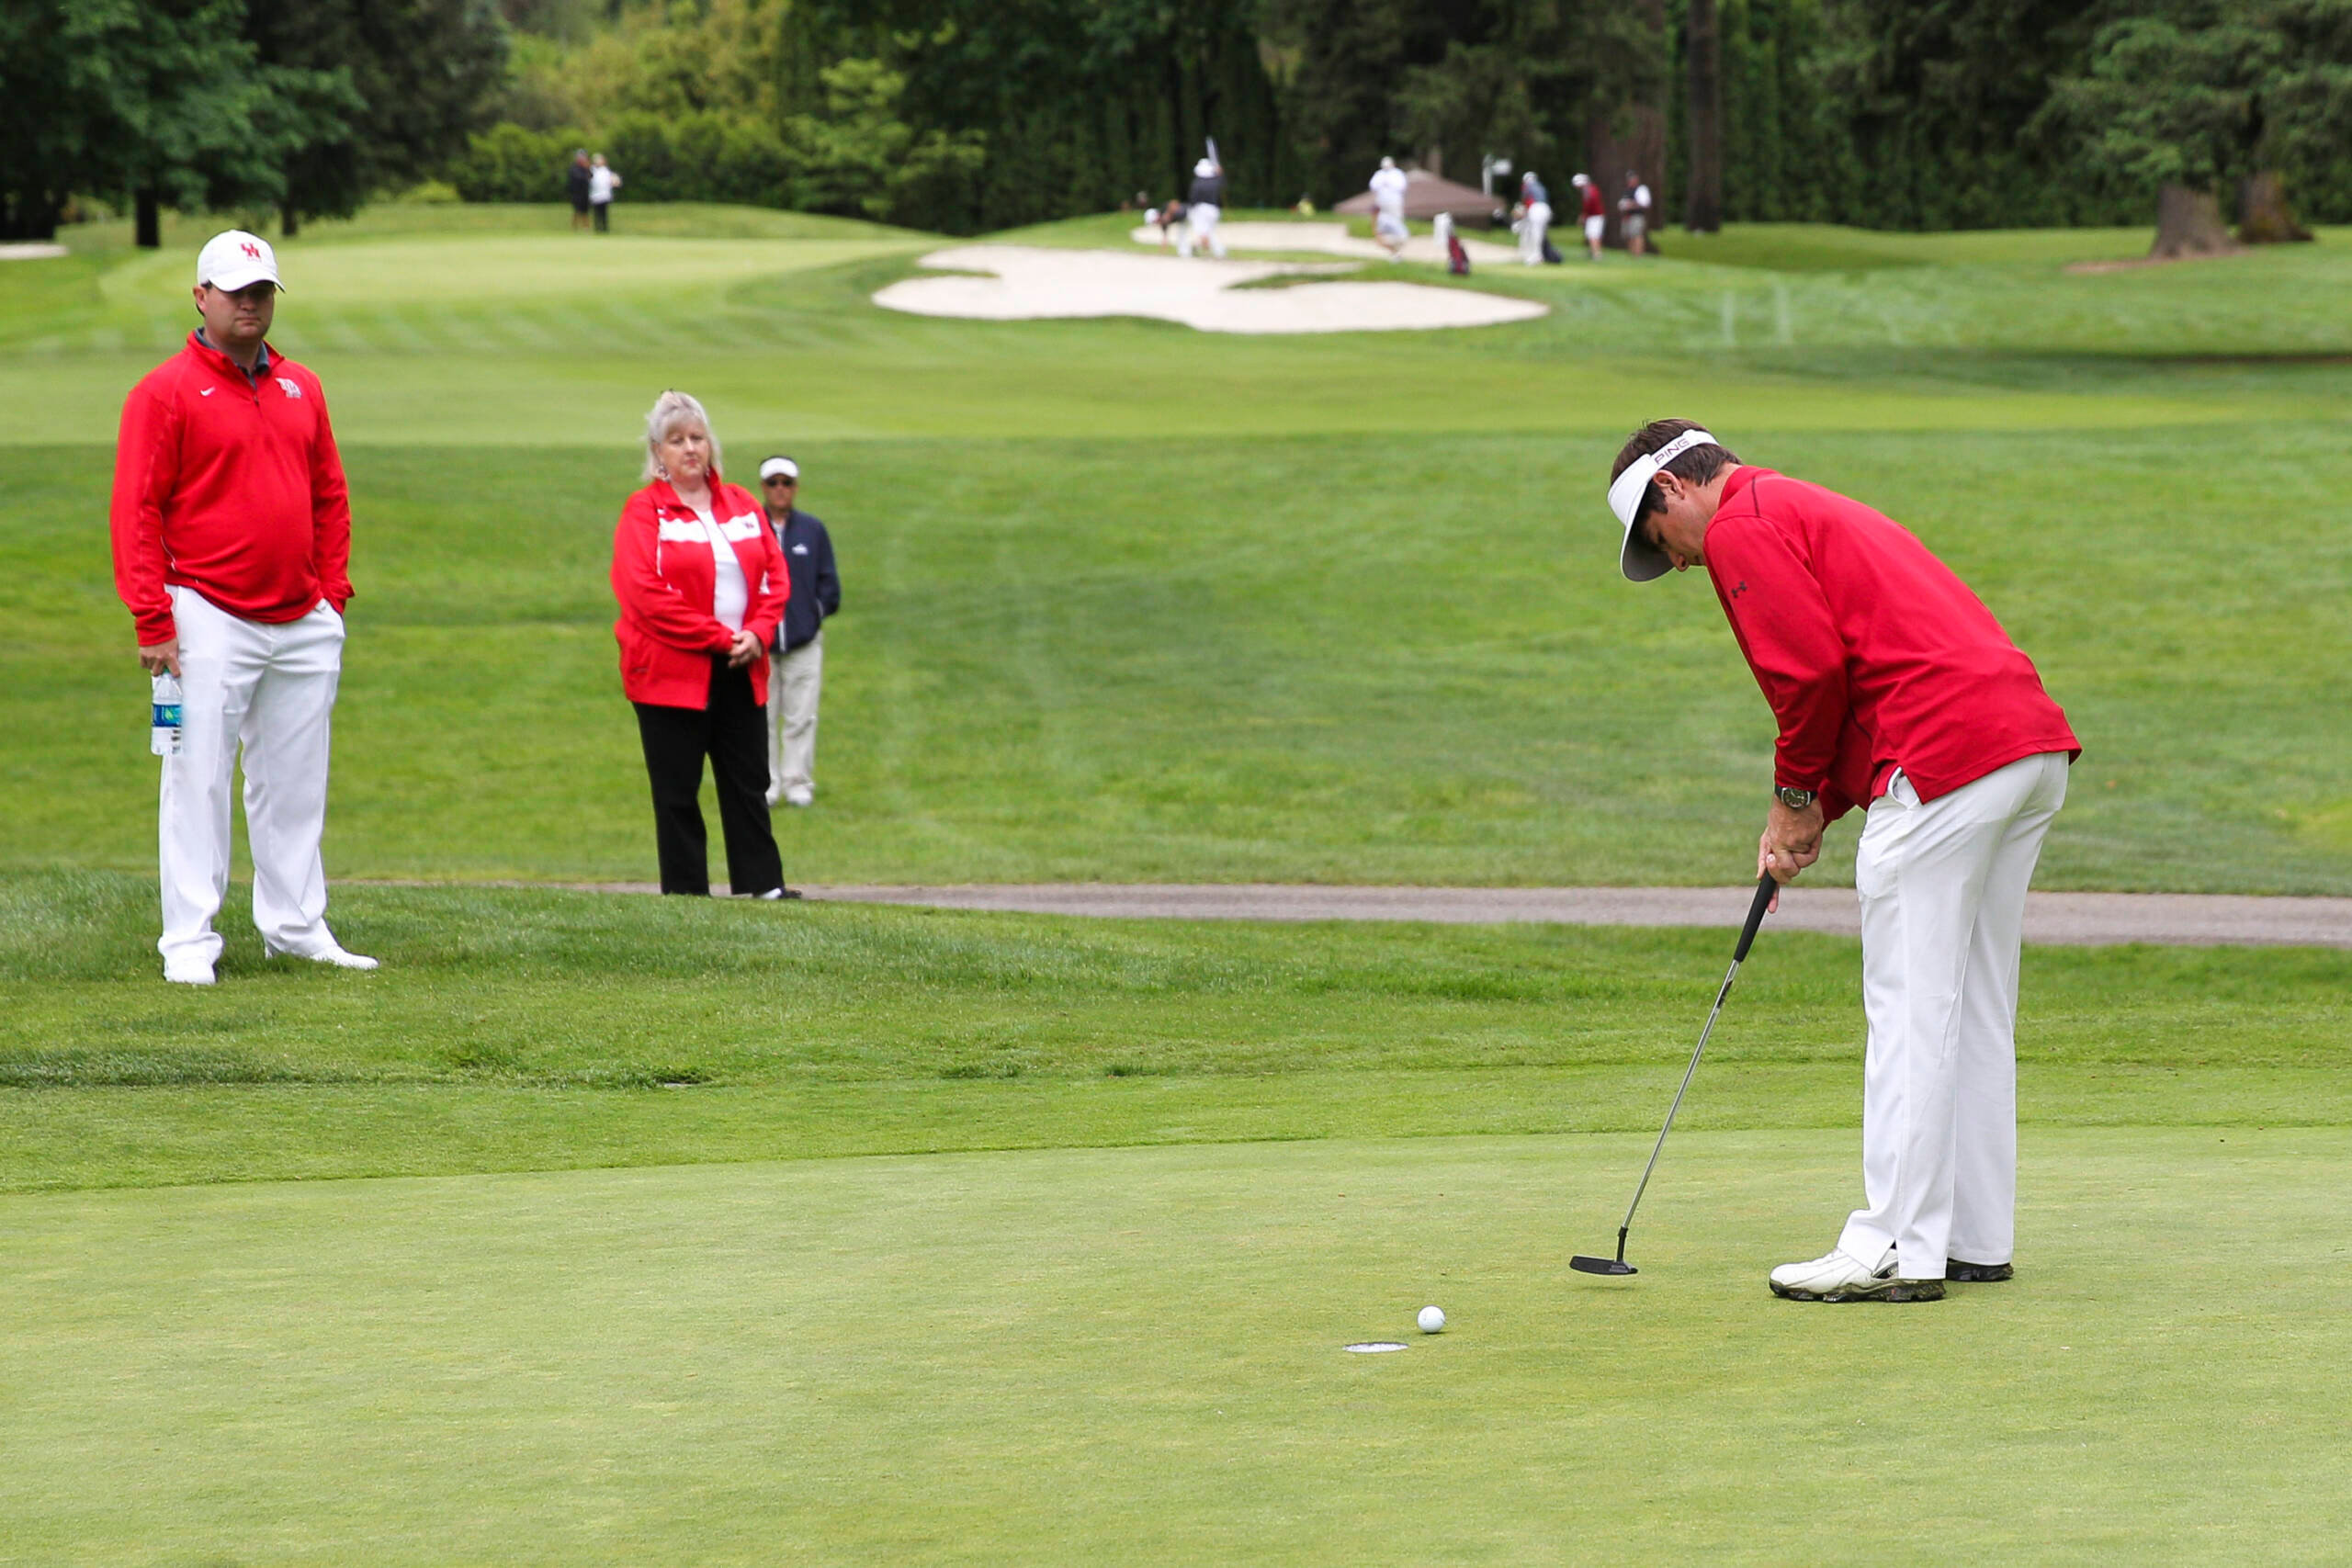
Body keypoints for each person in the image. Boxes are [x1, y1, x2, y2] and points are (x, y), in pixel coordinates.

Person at [1603, 419, 2080, 1303]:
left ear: (1672, 490)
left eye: (1655, 538)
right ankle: (1970, 1235)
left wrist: (1790, 801)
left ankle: (1893, 1242)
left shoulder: (1743, 521)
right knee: (1970, 1002)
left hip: (1945, 756)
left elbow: (1810, 676)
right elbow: (1864, 670)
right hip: (2021, 747)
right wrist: (1818, 808)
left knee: (1908, 1006)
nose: (1671, 563)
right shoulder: (1798, 504)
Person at [109, 231, 373, 985]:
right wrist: (153, 621)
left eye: (261, 292)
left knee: (294, 779)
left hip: (302, 616)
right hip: (205, 612)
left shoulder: (303, 387)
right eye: (235, 292)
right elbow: (137, 511)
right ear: (202, 297)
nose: (251, 304)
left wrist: (332, 593)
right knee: (196, 777)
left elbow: (329, 492)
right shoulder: (163, 392)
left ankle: (295, 926)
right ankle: (189, 943)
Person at [611, 390, 797, 898]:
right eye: (676, 440)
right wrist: (717, 637)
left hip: (742, 665)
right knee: (677, 791)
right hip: (670, 675)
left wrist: (757, 633)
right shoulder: (645, 511)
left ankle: (763, 885)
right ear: (658, 454)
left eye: (697, 438)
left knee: (748, 781)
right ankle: (687, 894)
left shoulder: (741, 503)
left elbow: (774, 576)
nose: (690, 448)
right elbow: (645, 594)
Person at [755, 456, 841, 809]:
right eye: (773, 483)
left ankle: (797, 782)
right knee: (762, 718)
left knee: (801, 716)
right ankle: (768, 783)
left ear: (795, 488)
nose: (780, 490)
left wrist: (811, 615)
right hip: (759, 643)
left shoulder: (812, 530)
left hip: (804, 642)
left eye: (786, 483)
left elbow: (830, 586)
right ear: (763, 488)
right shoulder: (749, 527)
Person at [1181, 157, 1226, 259]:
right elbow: (1223, 183)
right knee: (1208, 231)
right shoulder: (1215, 181)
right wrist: (1220, 174)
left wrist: (1190, 209)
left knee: (1203, 232)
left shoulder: (1197, 183)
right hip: (1214, 210)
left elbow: (1193, 198)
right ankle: (1208, 251)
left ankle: (1214, 251)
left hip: (1201, 209)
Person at [1370, 156, 1410, 259]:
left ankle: (1397, 250)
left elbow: (1401, 186)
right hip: (1382, 207)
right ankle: (1393, 251)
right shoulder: (1379, 174)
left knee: (1399, 229)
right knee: (1381, 232)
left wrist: (1388, 183)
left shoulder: (1397, 173)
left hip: (1395, 205)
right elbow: (1373, 186)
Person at [1517, 171, 1551, 265]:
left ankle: (1536, 256)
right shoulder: (1541, 186)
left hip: (1536, 209)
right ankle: (1540, 255)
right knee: (1540, 234)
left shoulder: (1527, 186)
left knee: (1534, 234)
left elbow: (1524, 200)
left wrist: (1523, 211)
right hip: (1546, 209)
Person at [1620, 170, 1652, 255]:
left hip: (1637, 216)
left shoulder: (1641, 189)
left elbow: (1645, 203)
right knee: (1629, 235)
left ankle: (1638, 254)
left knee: (1637, 234)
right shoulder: (1627, 190)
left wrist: (1632, 204)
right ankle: (1631, 252)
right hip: (1627, 216)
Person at [1574, 173, 1605, 260]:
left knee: (1593, 235)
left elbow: (1589, 203)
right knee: (1593, 235)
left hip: (1595, 216)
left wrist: (1584, 215)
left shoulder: (1588, 190)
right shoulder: (1591, 189)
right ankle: (1594, 252)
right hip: (1595, 216)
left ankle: (1596, 254)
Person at [589, 153, 621, 233]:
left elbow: (615, 181)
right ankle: (597, 229)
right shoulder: (592, 170)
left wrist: (615, 182)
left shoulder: (606, 171)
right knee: (597, 213)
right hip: (595, 196)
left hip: (604, 196)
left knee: (604, 213)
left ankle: (605, 229)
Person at [566, 150, 593, 231]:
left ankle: (586, 227)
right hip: (576, 194)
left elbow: (591, 176)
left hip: (585, 193)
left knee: (585, 211)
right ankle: (574, 227)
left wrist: (587, 168)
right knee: (576, 211)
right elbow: (578, 178)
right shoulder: (573, 168)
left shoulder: (586, 168)